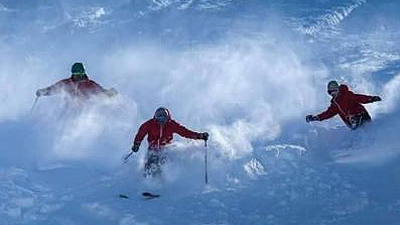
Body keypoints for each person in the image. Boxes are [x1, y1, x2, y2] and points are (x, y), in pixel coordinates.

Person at [131, 107, 209, 177]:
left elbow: (185, 132)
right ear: (155, 117)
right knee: (150, 167)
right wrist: (136, 144)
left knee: (163, 165)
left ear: (168, 117)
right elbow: (140, 134)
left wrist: (200, 136)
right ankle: (148, 184)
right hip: (152, 150)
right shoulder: (149, 124)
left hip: (166, 149)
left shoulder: (172, 124)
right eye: (159, 118)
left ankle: (165, 185)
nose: (161, 121)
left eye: (164, 118)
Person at [306, 80, 381, 130]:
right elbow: (328, 113)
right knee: (359, 132)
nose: (333, 94)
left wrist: (371, 99)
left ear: (338, 89)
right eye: (330, 92)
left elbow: (359, 97)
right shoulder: (335, 104)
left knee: (364, 126)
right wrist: (315, 118)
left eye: (334, 91)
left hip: (360, 115)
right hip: (351, 123)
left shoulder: (346, 95)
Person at [36, 62, 117, 100]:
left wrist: (109, 93)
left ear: (83, 73)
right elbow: (54, 89)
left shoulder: (89, 84)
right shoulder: (67, 83)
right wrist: (43, 91)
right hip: (68, 111)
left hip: (84, 111)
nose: (77, 76)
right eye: (75, 74)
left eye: (79, 74)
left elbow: (100, 92)